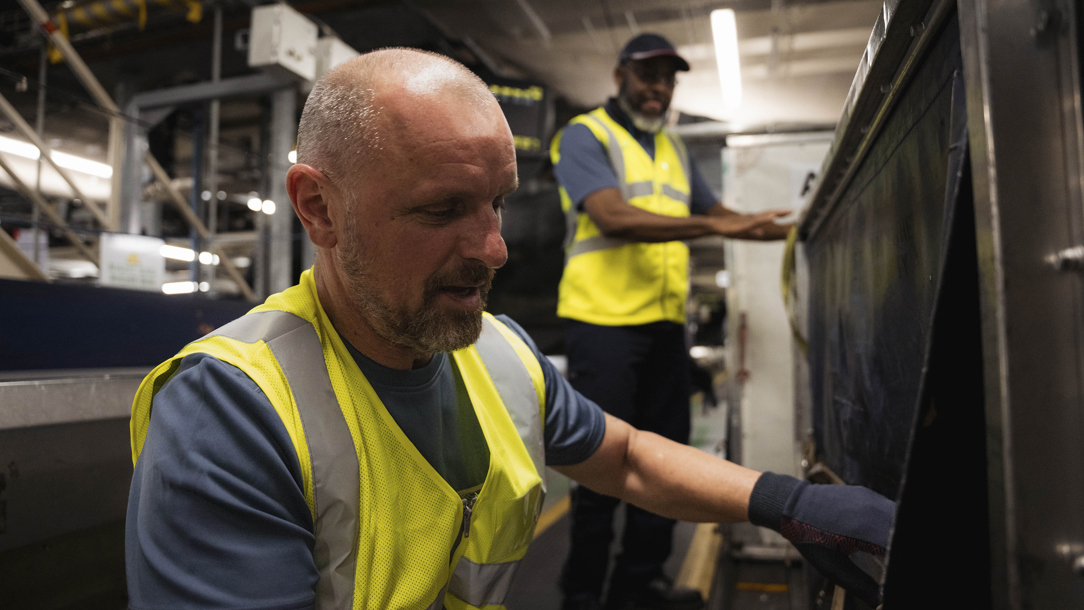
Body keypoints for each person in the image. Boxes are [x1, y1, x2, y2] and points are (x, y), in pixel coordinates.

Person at [125, 48, 893, 610]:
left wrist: (788, 503)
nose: (492, 247)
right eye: (441, 210)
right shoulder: (233, 414)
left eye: (495, 203)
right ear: (319, 208)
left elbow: (623, 458)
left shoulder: (499, 353)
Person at [551, 34, 794, 610]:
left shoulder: (676, 151)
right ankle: (582, 596)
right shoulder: (586, 135)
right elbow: (612, 217)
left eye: (668, 77)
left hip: (663, 327)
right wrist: (720, 228)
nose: (658, 86)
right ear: (620, 77)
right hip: (602, 324)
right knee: (600, 464)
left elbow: (727, 217)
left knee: (667, 458)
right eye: (648, 75)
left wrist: (796, 226)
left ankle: (640, 585)